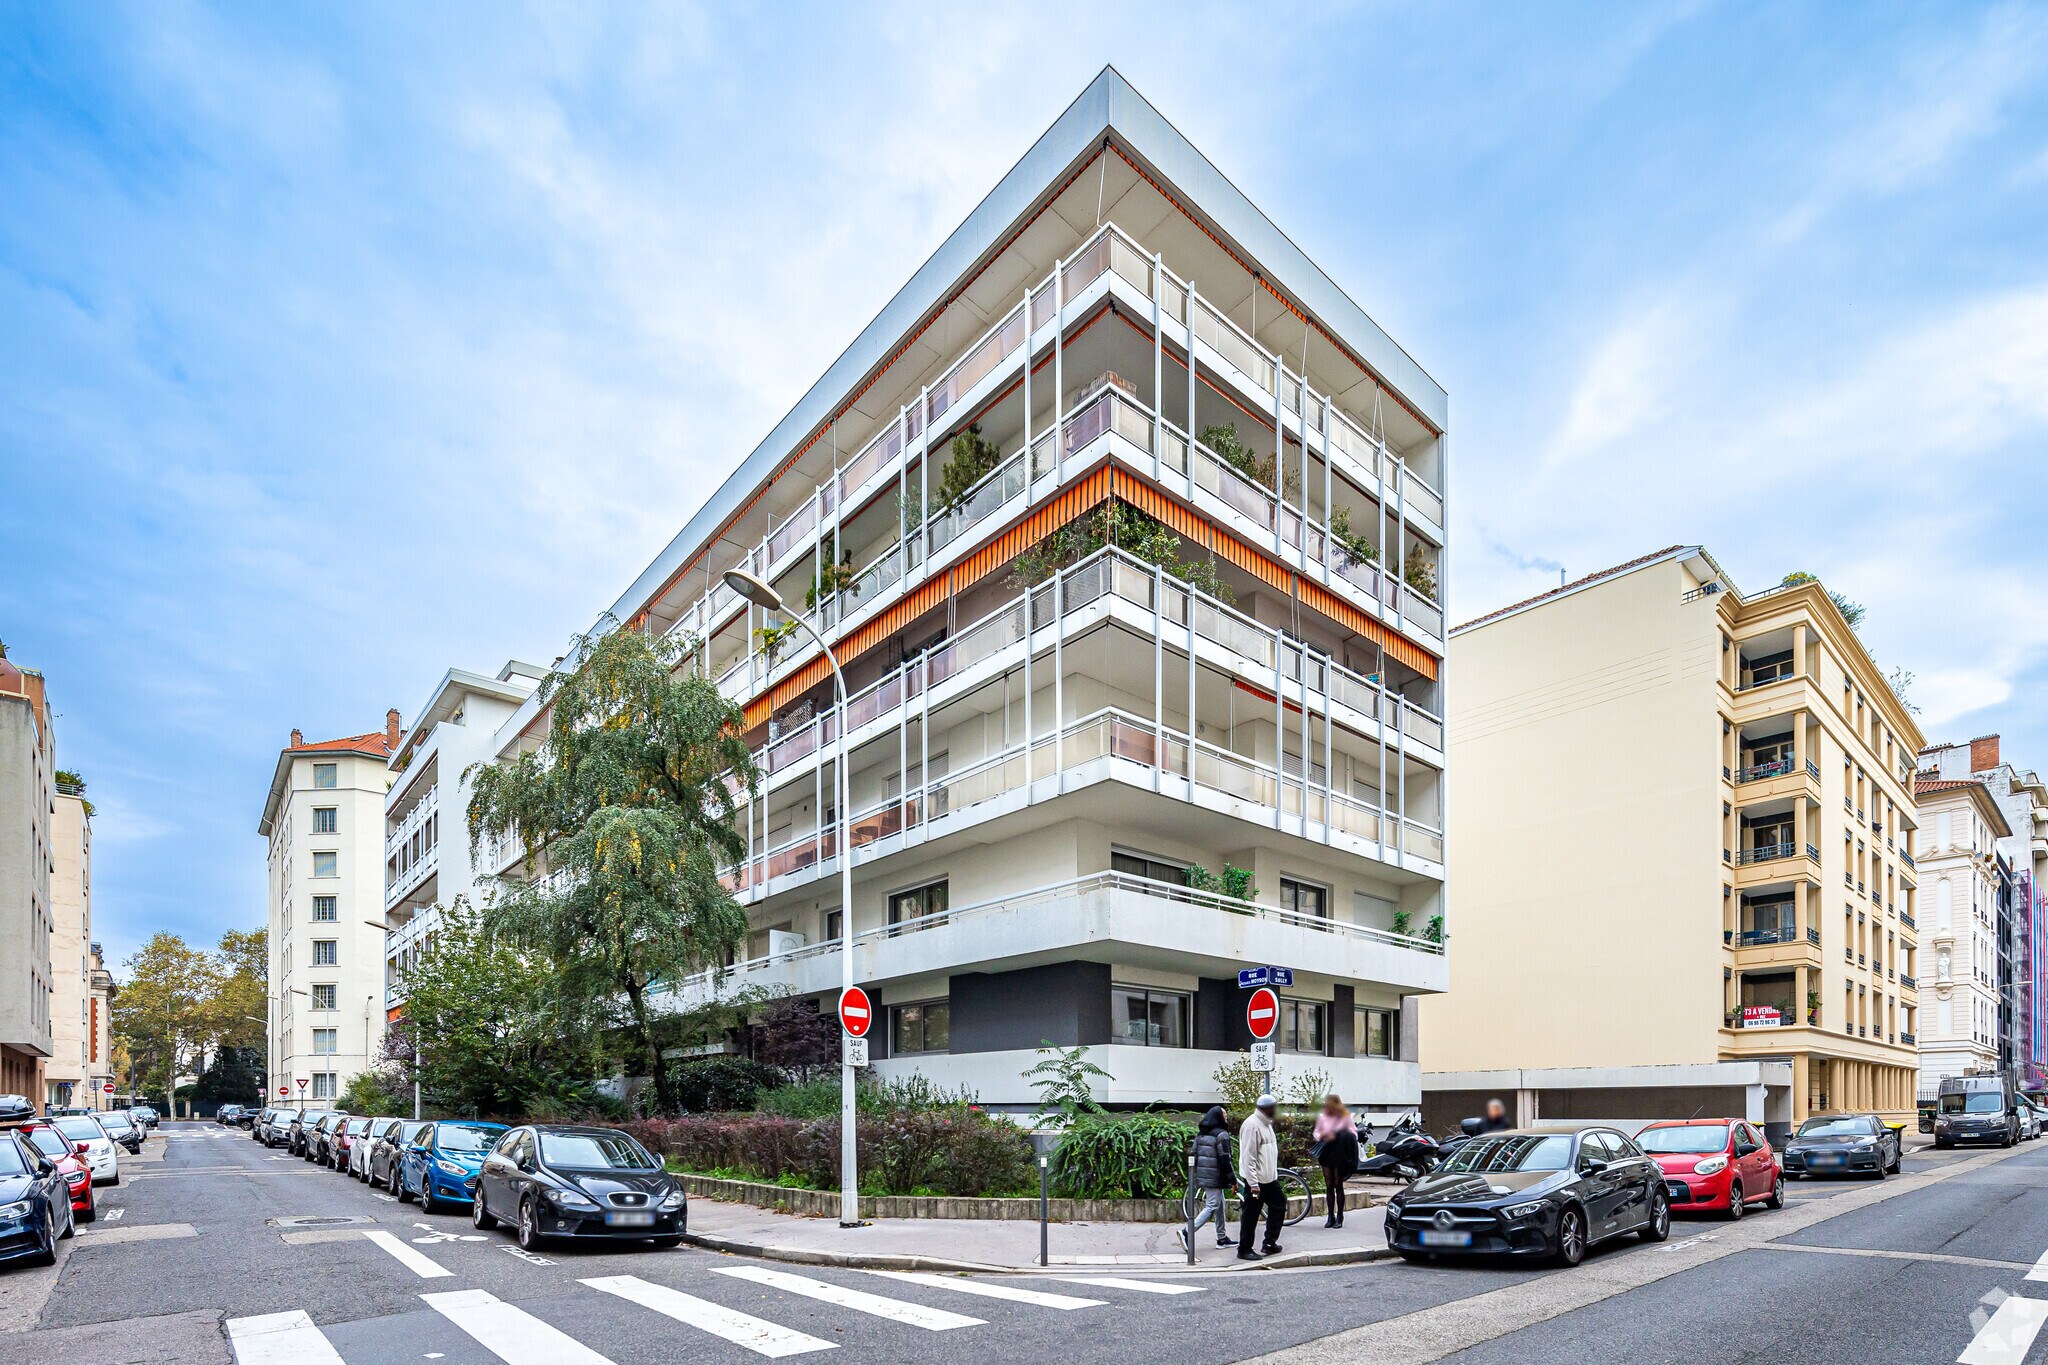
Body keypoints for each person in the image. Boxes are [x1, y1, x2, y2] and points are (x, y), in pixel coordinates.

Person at [1179, 1106, 1236, 1253]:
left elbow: (1194, 1153)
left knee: (1220, 1205)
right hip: (1216, 1176)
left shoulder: (1201, 1134)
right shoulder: (1222, 1135)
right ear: (1218, 1117)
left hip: (1204, 1175)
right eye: (1224, 1115)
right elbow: (1225, 1159)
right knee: (1212, 1206)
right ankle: (1187, 1232)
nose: (1226, 1117)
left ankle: (1222, 1238)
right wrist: (1233, 1179)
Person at [1237, 1094, 1284, 1260]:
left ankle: (1269, 1242)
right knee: (1250, 1215)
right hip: (1256, 1181)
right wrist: (1253, 1183)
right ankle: (1244, 1249)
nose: (1276, 1110)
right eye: (1274, 1107)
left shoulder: (1267, 1124)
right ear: (1267, 1108)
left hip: (1269, 1179)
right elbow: (1248, 1157)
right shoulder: (1252, 1125)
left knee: (1279, 1205)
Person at [1313, 1095, 1360, 1228]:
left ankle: (1340, 1216)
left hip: (1340, 1152)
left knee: (1338, 1183)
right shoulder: (1322, 1116)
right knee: (1329, 1184)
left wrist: (1341, 1134)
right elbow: (1316, 1132)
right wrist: (1322, 1135)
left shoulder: (1345, 1116)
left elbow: (1354, 1133)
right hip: (1327, 1151)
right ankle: (1330, 1216)